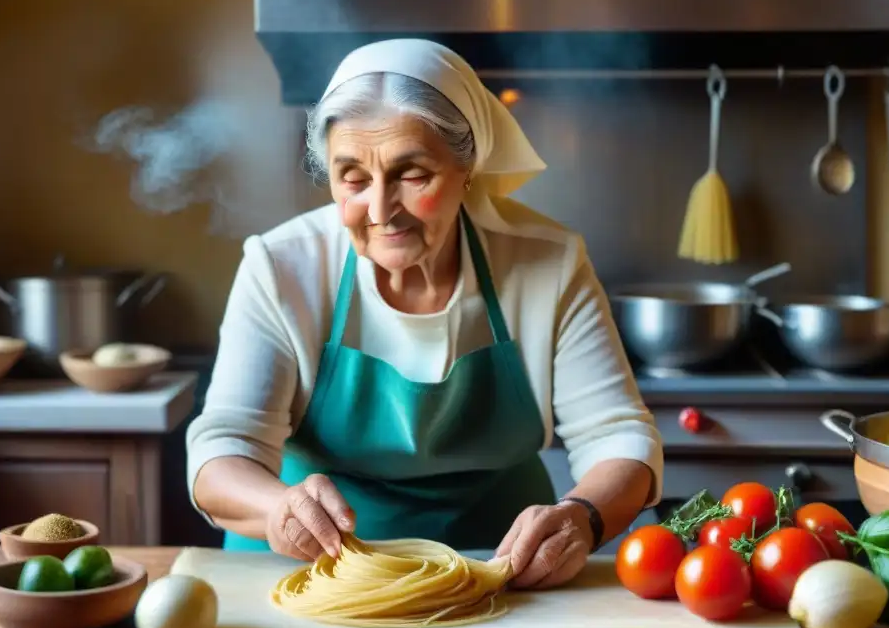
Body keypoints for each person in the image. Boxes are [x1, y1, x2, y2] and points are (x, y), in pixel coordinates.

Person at [185, 38, 663, 590]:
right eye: (354, 179)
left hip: (497, 571)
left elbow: (619, 436)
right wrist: (276, 510)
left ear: (468, 167)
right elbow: (223, 448)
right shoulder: (282, 266)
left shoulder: (545, 263)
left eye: (413, 175)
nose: (382, 209)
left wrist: (583, 515)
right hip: (310, 573)